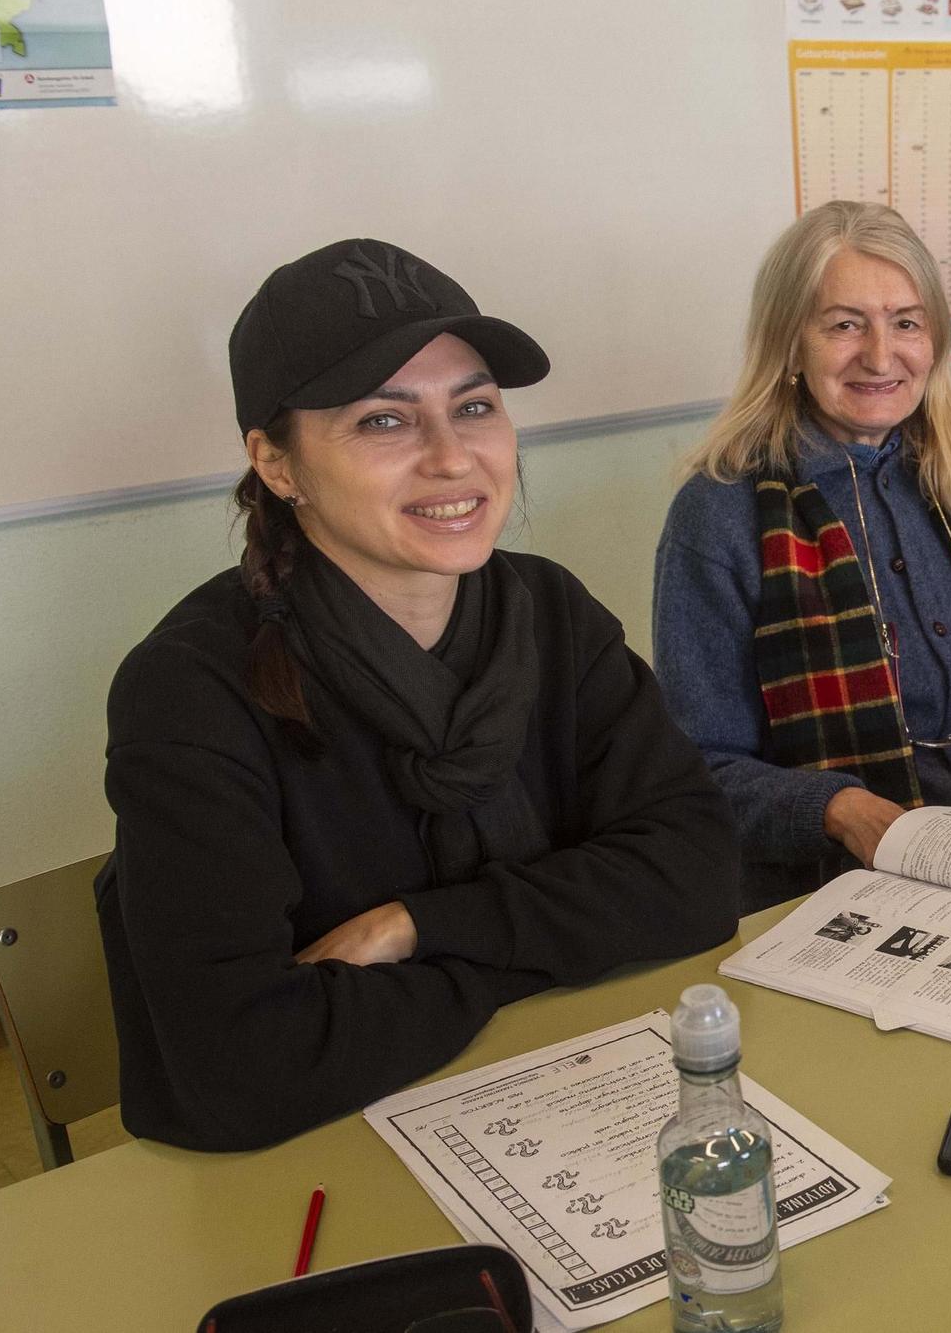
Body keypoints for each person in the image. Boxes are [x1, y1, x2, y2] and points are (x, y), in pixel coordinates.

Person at [97, 239, 742, 1152]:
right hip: (315, 1155)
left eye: (473, 406)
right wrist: (544, 944)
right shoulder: (192, 688)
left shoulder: (550, 612)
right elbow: (237, 1063)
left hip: (563, 1099)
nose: (452, 458)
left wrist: (420, 928)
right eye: (383, 422)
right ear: (277, 466)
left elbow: (698, 873)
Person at [654, 202, 951, 909]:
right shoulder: (720, 514)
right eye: (845, 324)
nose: (881, 356)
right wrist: (839, 807)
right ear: (789, 342)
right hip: (842, 896)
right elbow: (703, 769)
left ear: (933, 340)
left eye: (906, 322)